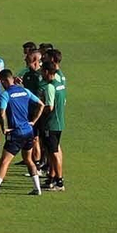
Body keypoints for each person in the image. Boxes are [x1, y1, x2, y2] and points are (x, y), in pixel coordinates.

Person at [0, 70, 44, 197]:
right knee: (28, 159)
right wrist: (33, 121)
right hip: (29, 131)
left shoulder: (5, 95)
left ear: (5, 80)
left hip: (16, 133)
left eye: (2, 82)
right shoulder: (25, 91)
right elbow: (41, 104)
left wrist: (4, 128)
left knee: (4, 161)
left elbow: (1, 112)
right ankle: (37, 188)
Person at [39, 50, 66, 191]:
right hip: (59, 122)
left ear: (47, 71)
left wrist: (37, 112)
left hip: (51, 123)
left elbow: (49, 107)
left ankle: (59, 182)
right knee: (53, 151)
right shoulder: (60, 83)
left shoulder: (50, 87)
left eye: (43, 70)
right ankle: (52, 178)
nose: (41, 73)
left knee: (53, 153)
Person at [20, 43, 45, 167]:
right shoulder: (27, 74)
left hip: (38, 112)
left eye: (28, 58)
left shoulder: (40, 76)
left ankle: (38, 164)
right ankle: (33, 162)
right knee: (33, 138)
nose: (25, 59)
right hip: (28, 111)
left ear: (35, 60)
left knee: (37, 139)